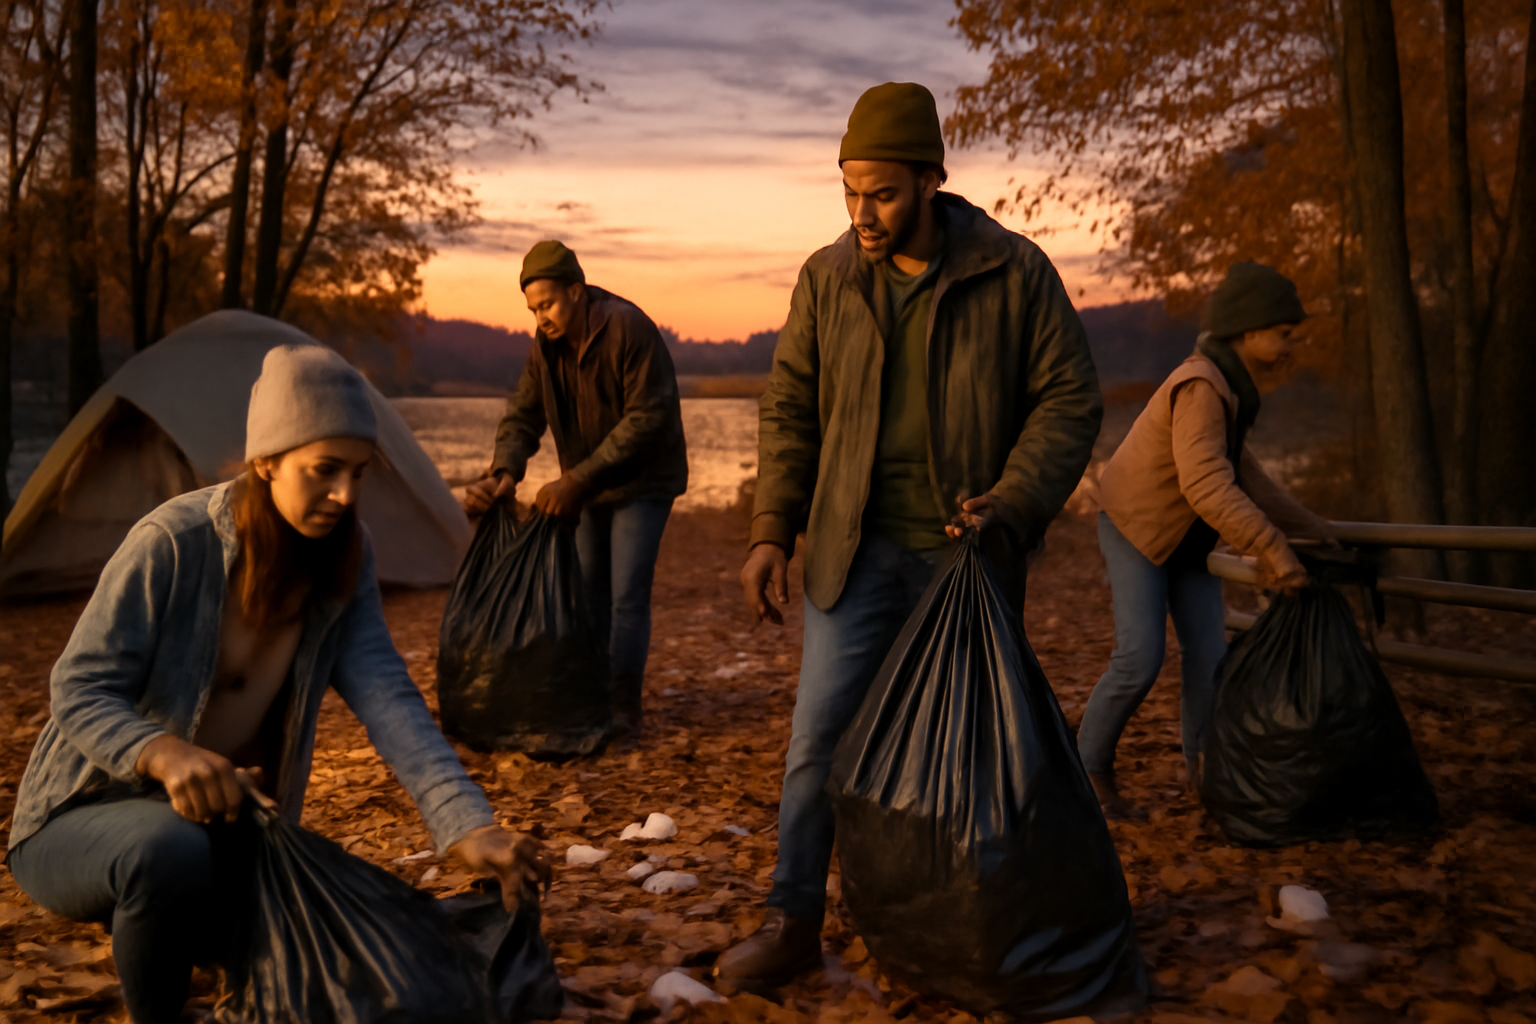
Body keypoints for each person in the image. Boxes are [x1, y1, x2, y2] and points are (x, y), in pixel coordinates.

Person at [5, 345, 549, 1024]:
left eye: (357, 473)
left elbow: (391, 700)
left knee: (350, 942)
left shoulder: (346, 558)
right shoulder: (171, 544)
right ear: (266, 461)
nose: (346, 495)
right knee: (164, 850)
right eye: (323, 471)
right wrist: (165, 753)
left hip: (226, 835)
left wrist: (468, 825)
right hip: (77, 823)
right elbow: (78, 687)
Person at [719, 82, 1104, 984]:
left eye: (882, 192)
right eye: (849, 191)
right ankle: (792, 918)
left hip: (964, 553)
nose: (862, 213)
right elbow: (790, 411)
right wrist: (771, 527)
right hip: (851, 555)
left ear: (932, 179)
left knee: (974, 746)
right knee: (818, 738)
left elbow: (1069, 398)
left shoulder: (1013, 272)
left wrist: (1013, 497)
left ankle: (972, 924)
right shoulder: (826, 278)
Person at [1076, 261, 1336, 820]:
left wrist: (1319, 532)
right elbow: (1207, 483)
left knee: (1209, 659)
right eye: (1285, 333)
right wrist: (1273, 549)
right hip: (1134, 527)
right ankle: (1088, 768)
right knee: (1140, 658)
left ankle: (1206, 774)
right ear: (1248, 332)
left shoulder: (1229, 387)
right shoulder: (1202, 385)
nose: (1295, 342)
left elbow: (1249, 477)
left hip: (1187, 537)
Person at [463, 241, 687, 738]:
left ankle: (624, 709)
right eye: (532, 309)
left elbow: (648, 417)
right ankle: (592, 700)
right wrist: (505, 471)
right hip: (585, 484)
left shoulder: (628, 328)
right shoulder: (543, 347)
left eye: (548, 305)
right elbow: (524, 413)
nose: (540, 317)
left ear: (577, 291)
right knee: (587, 593)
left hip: (644, 481)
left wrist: (577, 479)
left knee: (627, 595)